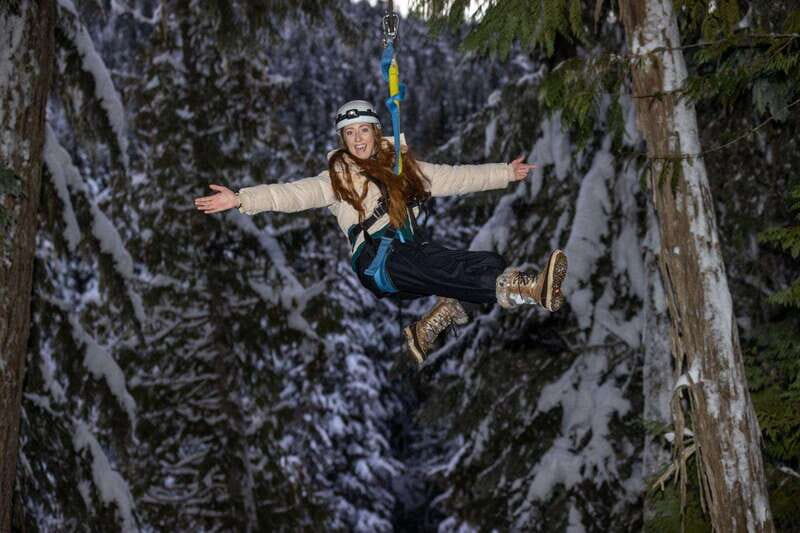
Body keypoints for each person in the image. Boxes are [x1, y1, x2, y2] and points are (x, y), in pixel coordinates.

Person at [194, 100, 567, 365]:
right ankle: (522, 288)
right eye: (349, 133)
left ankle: (435, 319)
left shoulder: (406, 169)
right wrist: (242, 199)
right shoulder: (338, 179)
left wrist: (504, 172)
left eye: (362, 131)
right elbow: (292, 193)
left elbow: (456, 176)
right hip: (379, 262)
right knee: (433, 260)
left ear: (375, 133)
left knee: (478, 262)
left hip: (408, 261)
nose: (357, 140)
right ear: (343, 140)